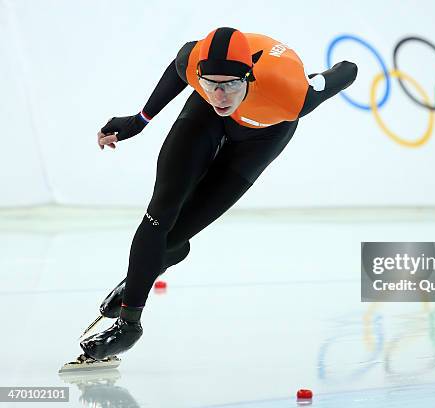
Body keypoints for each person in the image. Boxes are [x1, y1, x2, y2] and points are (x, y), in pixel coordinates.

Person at [80, 27, 357, 360]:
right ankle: (129, 325)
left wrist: (328, 71)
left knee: (171, 241)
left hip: (261, 139)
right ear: (200, 75)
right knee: (159, 216)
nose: (222, 96)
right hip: (204, 118)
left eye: (231, 85)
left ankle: (151, 269)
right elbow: (176, 70)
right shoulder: (196, 63)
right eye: (211, 84)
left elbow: (347, 71)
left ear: (249, 77)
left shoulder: (292, 94)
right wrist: (140, 120)